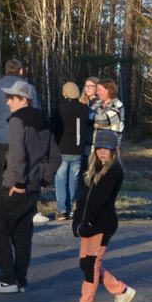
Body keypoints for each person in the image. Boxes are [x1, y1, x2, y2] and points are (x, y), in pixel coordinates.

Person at [0, 79, 57, 295]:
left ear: (23, 100)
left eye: (11, 98)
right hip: (33, 190)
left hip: (17, 187)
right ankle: (21, 280)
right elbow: (56, 158)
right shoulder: (43, 121)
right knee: (23, 235)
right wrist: (43, 181)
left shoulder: (17, 121)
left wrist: (19, 183)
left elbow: (17, 155)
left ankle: (7, 280)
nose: (8, 103)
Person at [62, 130, 135, 302]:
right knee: (86, 264)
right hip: (88, 224)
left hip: (101, 224)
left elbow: (99, 201)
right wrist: (78, 221)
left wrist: (87, 222)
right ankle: (122, 291)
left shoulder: (114, 171)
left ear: (115, 150)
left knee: (92, 265)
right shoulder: (94, 168)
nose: (103, 152)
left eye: (107, 149)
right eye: (99, 148)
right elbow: (83, 199)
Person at [52, 81, 90, 221]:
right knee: (73, 180)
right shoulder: (84, 108)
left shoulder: (61, 108)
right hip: (78, 150)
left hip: (62, 148)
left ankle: (61, 210)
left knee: (60, 179)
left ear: (64, 94)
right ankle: (71, 208)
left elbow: (53, 126)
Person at [88, 76, 125, 143]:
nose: (97, 93)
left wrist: (93, 121)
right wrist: (95, 123)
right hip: (94, 146)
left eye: (100, 90)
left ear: (108, 90)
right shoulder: (97, 104)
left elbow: (104, 119)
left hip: (110, 147)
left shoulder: (117, 105)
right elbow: (87, 115)